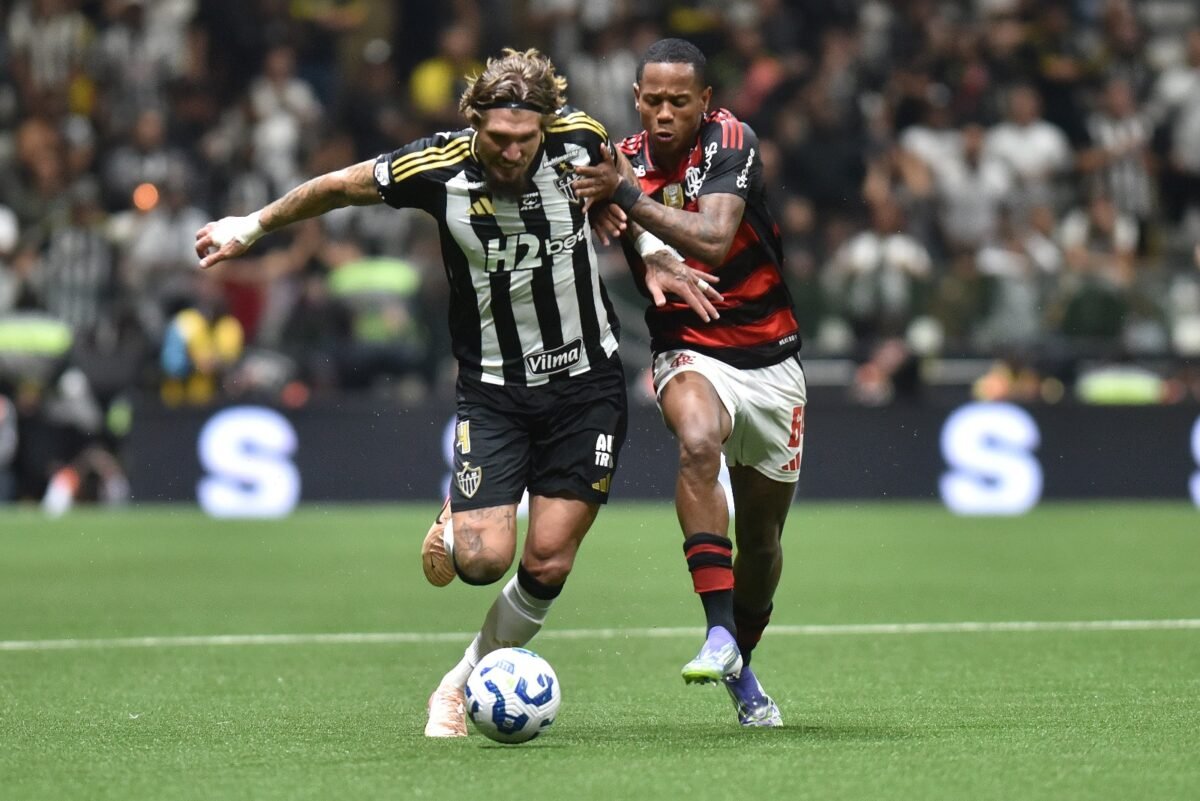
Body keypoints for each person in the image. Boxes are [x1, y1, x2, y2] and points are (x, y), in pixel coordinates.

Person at [194, 47, 717, 738]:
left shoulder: (579, 138)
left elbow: (618, 190)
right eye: (498, 138)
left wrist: (650, 252)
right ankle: (461, 509)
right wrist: (252, 226)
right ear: (475, 125)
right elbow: (336, 186)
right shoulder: (435, 168)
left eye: (524, 138)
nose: (512, 152)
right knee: (480, 561)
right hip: (495, 390)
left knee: (548, 559)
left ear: (545, 126)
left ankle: (457, 683)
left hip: (588, 384)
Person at [573, 38, 807, 727]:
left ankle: (740, 657)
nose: (664, 112)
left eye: (680, 100)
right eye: (652, 100)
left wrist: (622, 198)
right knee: (698, 441)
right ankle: (716, 629)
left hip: (771, 358)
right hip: (688, 348)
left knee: (761, 543)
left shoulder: (731, 141)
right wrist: (602, 204)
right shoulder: (620, 159)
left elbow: (712, 237)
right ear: (636, 99)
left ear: (706, 101)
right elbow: (580, 195)